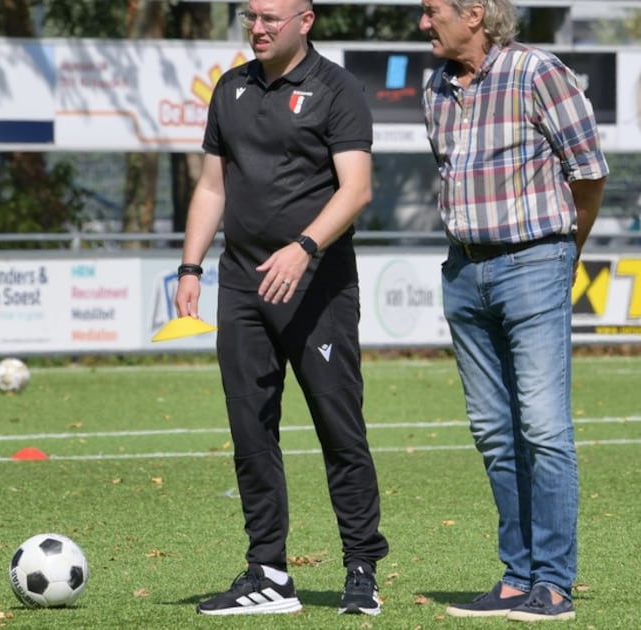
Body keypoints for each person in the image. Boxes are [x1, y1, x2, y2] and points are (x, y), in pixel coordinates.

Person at [173, 0, 388, 617]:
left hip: (316, 286)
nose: (259, 28)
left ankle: (361, 567)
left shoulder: (336, 88)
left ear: (305, 20)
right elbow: (213, 186)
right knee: (250, 429)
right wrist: (190, 267)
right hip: (240, 285)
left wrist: (304, 247)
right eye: (250, 17)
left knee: (338, 427)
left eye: (271, 18)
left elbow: (357, 188)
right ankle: (268, 573)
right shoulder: (230, 88)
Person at [419, 0, 608, 622]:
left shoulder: (537, 73)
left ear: (474, 13)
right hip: (462, 270)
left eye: (433, 11)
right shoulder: (435, 88)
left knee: (545, 430)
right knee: (495, 434)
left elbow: (589, 172)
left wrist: (561, 253)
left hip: (534, 263)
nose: (425, 23)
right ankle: (516, 576)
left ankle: (553, 584)